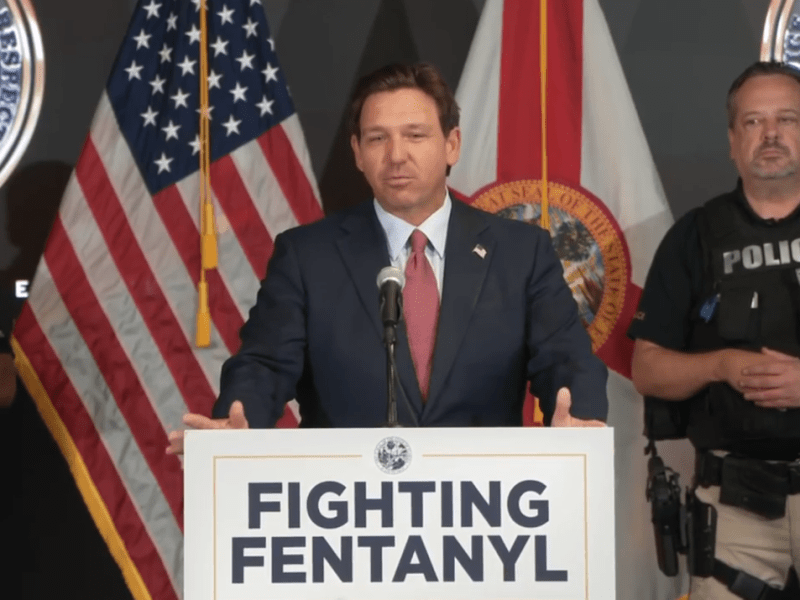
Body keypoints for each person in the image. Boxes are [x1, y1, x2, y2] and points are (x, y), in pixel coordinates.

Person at [168, 62, 606, 452]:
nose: (396, 156)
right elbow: (263, 365)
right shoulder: (307, 256)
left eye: (415, 135)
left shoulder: (520, 252)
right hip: (347, 500)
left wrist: (578, 420)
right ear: (358, 153)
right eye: (378, 138)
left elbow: (566, 359)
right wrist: (239, 420)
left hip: (483, 499)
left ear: (452, 144)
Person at [630, 61, 800, 600]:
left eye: (787, 119)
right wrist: (719, 365)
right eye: (753, 122)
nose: (770, 134)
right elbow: (647, 368)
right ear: (732, 141)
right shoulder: (695, 237)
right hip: (734, 510)